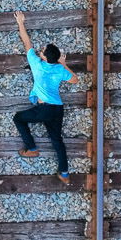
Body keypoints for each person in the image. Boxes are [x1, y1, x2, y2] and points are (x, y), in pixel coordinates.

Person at [12, 10, 79, 184]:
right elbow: (75, 80)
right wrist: (65, 65)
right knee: (57, 139)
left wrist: (20, 23)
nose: (40, 51)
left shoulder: (37, 64)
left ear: (44, 57)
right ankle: (64, 172)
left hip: (45, 108)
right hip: (58, 109)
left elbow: (26, 42)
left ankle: (32, 148)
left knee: (18, 118)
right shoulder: (59, 69)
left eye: (42, 51)